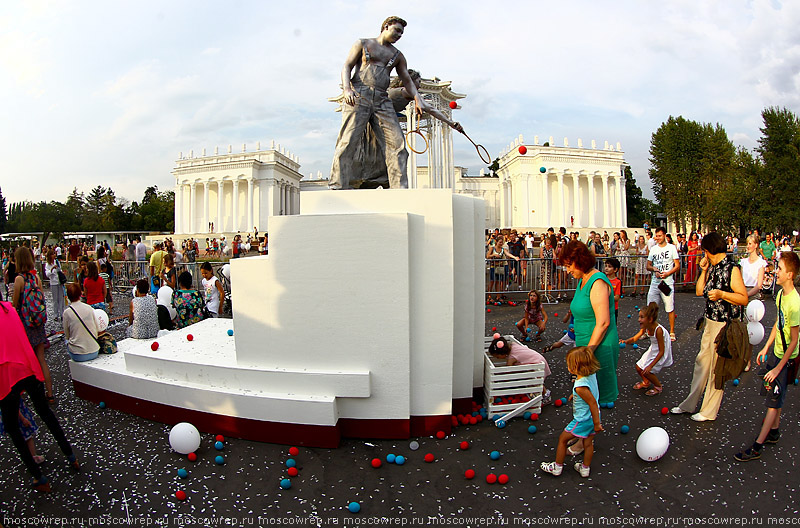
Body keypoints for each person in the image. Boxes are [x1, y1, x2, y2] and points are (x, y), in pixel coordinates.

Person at [329, 16, 423, 190]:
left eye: (402, 33)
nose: (399, 35)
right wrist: (347, 89)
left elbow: (407, 80)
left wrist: (417, 98)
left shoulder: (398, 55)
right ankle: (337, 186)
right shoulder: (362, 43)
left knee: (398, 145)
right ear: (386, 26)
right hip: (359, 94)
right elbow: (347, 66)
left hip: (382, 99)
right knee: (347, 141)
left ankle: (400, 190)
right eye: (397, 30)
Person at [0, 300, 79, 492]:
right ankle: (70, 455)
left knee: (12, 427)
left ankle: (38, 477)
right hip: (27, 365)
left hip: (6, 371)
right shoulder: (8, 308)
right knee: (45, 412)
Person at [670, 232, 748, 422]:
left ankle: (708, 411)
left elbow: (743, 298)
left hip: (725, 325)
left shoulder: (732, 268)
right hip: (710, 321)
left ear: (708, 250)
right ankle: (689, 404)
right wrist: (703, 270)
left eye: (704, 251)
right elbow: (699, 291)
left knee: (717, 368)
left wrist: (722, 294)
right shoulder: (712, 267)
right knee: (702, 363)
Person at [734, 252, 800, 461]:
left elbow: (795, 340)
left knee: (773, 402)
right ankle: (774, 431)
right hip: (777, 353)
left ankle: (757, 446)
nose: (775, 272)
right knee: (775, 394)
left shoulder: (795, 303)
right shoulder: (780, 295)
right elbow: (779, 326)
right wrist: (766, 348)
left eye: (779, 269)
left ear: (790, 274)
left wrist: (778, 367)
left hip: (787, 359)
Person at [561, 241, 619, 405]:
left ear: (580, 261)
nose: (568, 270)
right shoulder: (583, 279)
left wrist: (587, 352)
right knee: (586, 400)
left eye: (569, 265)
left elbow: (603, 322)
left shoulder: (597, 281)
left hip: (598, 347)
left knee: (597, 401)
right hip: (586, 346)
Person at [540, 346, 603, 478]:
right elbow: (589, 391)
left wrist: (597, 424)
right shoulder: (591, 374)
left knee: (563, 440)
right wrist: (575, 395)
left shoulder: (580, 387)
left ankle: (557, 467)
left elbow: (591, 402)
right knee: (588, 443)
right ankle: (585, 468)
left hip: (582, 420)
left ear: (574, 367)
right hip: (592, 417)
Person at [11, 247, 54, 405]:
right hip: (38, 324)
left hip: (25, 325)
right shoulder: (36, 279)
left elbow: (15, 305)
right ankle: (49, 393)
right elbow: (40, 300)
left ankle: (30, 393)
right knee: (41, 359)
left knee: (25, 361)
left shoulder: (19, 280)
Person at [621, 302, 673, 397]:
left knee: (647, 370)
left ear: (650, 319)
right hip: (654, 348)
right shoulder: (645, 327)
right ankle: (646, 382)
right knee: (638, 367)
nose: (638, 320)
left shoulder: (658, 330)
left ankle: (658, 386)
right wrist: (625, 341)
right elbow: (635, 338)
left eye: (641, 317)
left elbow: (662, 351)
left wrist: (650, 366)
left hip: (661, 351)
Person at [488, 335, 552, 406]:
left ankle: (546, 395)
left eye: (497, 356)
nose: (498, 358)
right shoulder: (513, 345)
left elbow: (508, 370)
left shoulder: (512, 357)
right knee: (534, 379)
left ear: (502, 353)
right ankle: (537, 392)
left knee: (537, 382)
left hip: (537, 363)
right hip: (538, 358)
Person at [646, 226, 680, 341]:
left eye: (660, 236)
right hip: (655, 283)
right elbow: (648, 265)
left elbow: (677, 265)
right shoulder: (654, 249)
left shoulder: (672, 248)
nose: (658, 238)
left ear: (665, 235)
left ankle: (672, 331)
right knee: (651, 307)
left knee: (669, 307)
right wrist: (654, 269)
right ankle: (649, 330)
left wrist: (668, 273)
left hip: (667, 283)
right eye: (657, 236)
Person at [740, 234, 767, 371]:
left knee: (750, 329)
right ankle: (742, 357)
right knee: (741, 328)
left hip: (752, 296)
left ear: (756, 245)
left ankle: (747, 359)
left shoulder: (761, 263)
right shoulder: (743, 262)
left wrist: (746, 295)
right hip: (743, 292)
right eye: (747, 243)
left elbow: (759, 285)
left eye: (751, 243)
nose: (748, 246)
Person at [0, 399, 45, 465]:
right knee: (27, 436)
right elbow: (12, 405)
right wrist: (23, 419)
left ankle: (28, 457)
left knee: (19, 437)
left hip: (8, 414)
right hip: (18, 414)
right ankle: (33, 457)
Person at [62, 283, 100, 362]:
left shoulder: (67, 312)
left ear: (68, 296)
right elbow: (96, 328)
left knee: (66, 341)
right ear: (80, 293)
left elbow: (67, 335)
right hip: (94, 350)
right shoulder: (89, 308)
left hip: (78, 354)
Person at [44, 250, 65, 321]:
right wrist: (52, 269)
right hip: (53, 283)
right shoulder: (47, 265)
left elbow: (60, 270)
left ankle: (62, 314)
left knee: (61, 299)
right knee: (55, 299)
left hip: (59, 282)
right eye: (52, 254)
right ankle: (55, 314)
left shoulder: (57, 262)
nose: (54, 256)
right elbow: (47, 274)